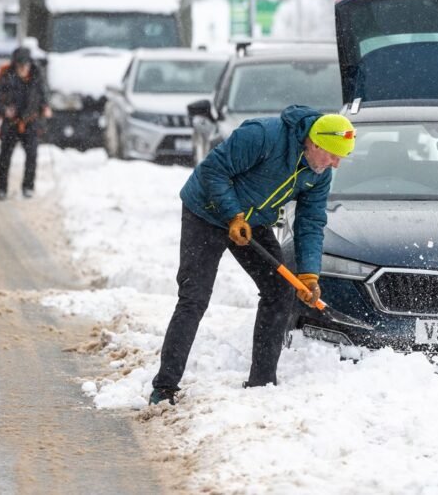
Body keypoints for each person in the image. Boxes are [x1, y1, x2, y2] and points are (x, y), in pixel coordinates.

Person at [149, 106, 356, 405]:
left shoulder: (318, 174)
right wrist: (233, 214)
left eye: (341, 158)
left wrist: (309, 273)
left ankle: (262, 382)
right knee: (195, 296)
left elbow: (310, 222)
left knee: (279, 290)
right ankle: (165, 386)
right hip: (205, 212)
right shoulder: (263, 136)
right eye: (333, 155)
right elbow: (212, 171)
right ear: (314, 143)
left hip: (252, 221)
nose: (335, 164)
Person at [0, 47, 49, 200]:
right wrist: (4, 110)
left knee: (32, 155)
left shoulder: (37, 76)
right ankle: (1, 189)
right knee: (4, 157)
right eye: (20, 65)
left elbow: (44, 96)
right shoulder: (6, 76)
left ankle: (28, 187)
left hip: (30, 122)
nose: (23, 68)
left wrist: (45, 107)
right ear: (15, 65)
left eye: (26, 65)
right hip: (10, 124)